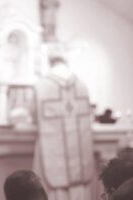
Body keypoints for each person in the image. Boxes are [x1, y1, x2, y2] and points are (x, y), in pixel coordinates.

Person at [32, 54, 95, 200]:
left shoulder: (42, 84)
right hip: (79, 154)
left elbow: (33, 115)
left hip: (51, 152)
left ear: (51, 63)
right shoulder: (81, 84)